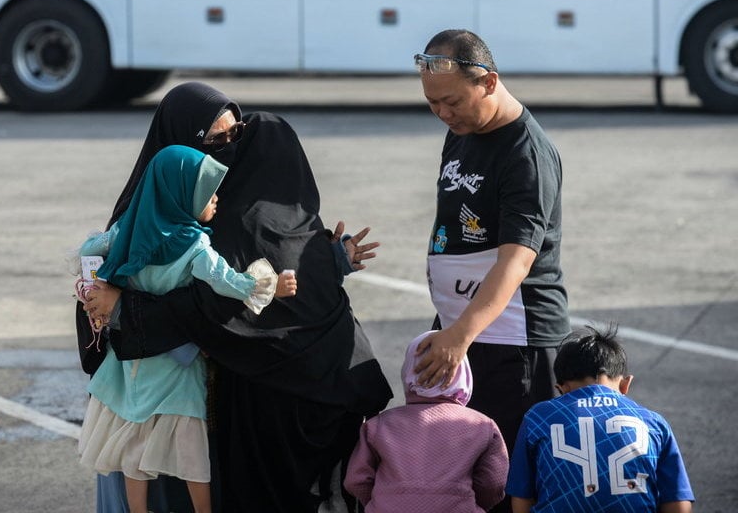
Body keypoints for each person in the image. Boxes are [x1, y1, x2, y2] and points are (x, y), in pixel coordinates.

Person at [83, 81, 393, 512]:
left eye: (236, 136)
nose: (229, 150)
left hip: (208, 406)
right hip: (167, 398)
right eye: (218, 139)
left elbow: (213, 306)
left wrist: (126, 312)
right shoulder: (159, 215)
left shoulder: (230, 219)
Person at [76, 144, 297, 513]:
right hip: (176, 361)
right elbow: (227, 281)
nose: (215, 200)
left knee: (134, 442)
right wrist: (272, 286)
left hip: (133, 361)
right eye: (207, 193)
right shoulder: (194, 245)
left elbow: (90, 248)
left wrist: (93, 279)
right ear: (182, 197)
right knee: (191, 447)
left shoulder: (131, 229)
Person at [410, 29, 570, 513]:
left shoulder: (525, 153)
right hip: (467, 333)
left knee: (508, 488)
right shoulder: (461, 133)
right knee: (461, 478)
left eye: (452, 101)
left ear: (488, 81)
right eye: (433, 104)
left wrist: (460, 335)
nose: (443, 113)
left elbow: (517, 260)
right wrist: (452, 330)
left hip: (512, 342)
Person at [506, 324, 695, 513]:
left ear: (561, 389)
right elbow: (678, 501)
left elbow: (522, 496)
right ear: (625, 384)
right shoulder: (653, 422)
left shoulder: (538, 417)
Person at [343, 330, 508, 513]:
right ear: (464, 375)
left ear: (407, 371)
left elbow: (355, 480)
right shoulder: (482, 426)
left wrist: (381, 501)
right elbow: (494, 483)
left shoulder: (377, 425)